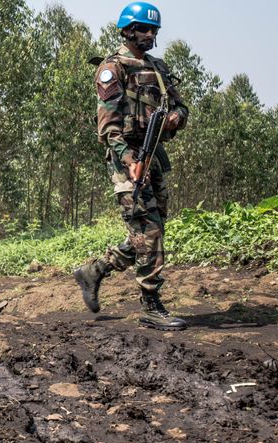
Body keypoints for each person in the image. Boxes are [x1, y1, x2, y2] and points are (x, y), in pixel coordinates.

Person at [73, 2, 188, 330]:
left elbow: (179, 105)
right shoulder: (113, 68)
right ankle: (151, 305)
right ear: (127, 30)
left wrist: (176, 118)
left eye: (153, 30)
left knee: (151, 232)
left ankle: (94, 271)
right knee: (147, 230)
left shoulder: (159, 68)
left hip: (155, 157)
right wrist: (129, 161)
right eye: (143, 28)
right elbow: (108, 127)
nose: (149, 34)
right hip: (128, 159)